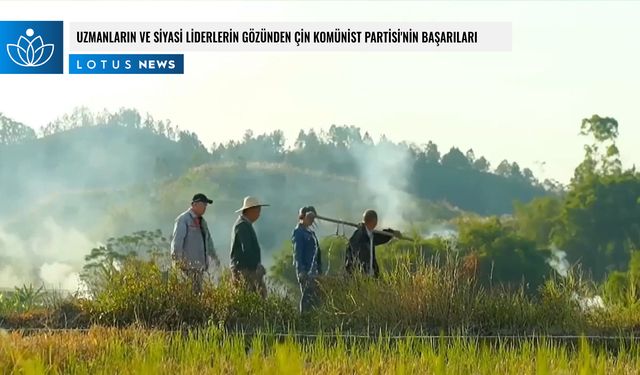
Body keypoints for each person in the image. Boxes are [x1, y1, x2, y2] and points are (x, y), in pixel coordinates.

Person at [170, 193, 220, 294]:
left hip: (199, 268)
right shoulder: (183, 220)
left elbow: (208, 241)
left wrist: (214, 257)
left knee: (197, 294)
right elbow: (177, 243)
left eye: (206, 205)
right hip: (186, 269)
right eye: (203, 204)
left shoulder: (202, 222)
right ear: (194, 204)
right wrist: (178, 265)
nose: (205, 207)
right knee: (187, 295)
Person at [230, 196, 269, 298]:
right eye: (258, 210)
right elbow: (246, 249)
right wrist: (256, 266)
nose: (259, 214)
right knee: (249, 296)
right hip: (244, 269)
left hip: (248, 268)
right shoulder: (242, 225)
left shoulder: (245, 224)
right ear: (250, 211)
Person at [345, 209, 401, 278]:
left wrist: (392, 233)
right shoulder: (359, 236)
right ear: (374, 221)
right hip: (361, 277)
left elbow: (380, 237)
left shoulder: (369, 234)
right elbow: (354, 258)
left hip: (371, 276)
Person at [292, 206, 322, 313]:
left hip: (314, 272)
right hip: (306, 272)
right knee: (307, 299)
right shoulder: (299, 232)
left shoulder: (310, 233)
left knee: (315, 300)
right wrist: (301, 271)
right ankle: (304, 322)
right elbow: (298, 253)